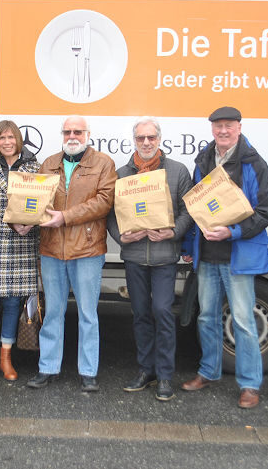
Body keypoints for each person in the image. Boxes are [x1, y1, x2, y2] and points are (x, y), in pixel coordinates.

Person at [181, 106, 268, 409]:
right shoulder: (203, 161)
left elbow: (264, 213)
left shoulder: (254, 163)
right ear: (212, 129)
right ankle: (208, 371)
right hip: (207, 255)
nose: (223, 131)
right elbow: (196, 209)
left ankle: (249, 384)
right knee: (207, 316)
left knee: (244, 321)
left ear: (239, 127)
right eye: (218, 126)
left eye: (229, 126)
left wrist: (232, 232)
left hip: (238, 255)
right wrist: (188, 245)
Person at [26, 115, 116, 392]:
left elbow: (104, 202)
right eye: (67, 132)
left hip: (87, 249)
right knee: (53, 312)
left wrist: (65, 217)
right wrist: (24, 215)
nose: (72, 136)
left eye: (78, 131)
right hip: (52, 249)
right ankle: (47, 367)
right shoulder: (49, 163)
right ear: (62, 135)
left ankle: (88, 371)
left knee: (88, 314)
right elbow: (37, 199)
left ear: (88, 134)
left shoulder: (103, 163)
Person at [107, 117, 193, 402]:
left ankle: (166, 375)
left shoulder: (178, 171)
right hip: (133, 256)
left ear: (159, 140)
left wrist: (172, 232)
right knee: (141, 315)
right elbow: (111, 215)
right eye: (141, 138)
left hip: (164, 257)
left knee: (163, 313)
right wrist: (122, 237)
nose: (146, 143)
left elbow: (188, 211)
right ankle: (147, 371)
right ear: (134, 140)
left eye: (151, 138)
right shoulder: (121, 174)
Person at [0, 120, 40, 381]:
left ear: (18, 140)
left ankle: (6, 357)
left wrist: (31, 223)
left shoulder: (34, 168)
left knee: (13, 303)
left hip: (23, 242)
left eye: (11, 137)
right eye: (2, 138)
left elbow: (43, 203)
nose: (7, 142)